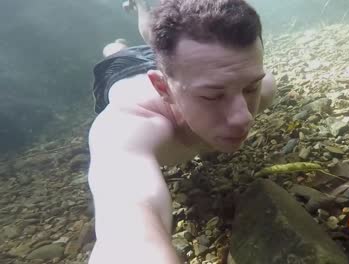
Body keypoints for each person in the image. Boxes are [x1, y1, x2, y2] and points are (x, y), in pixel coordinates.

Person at [87, 0, 277, 263]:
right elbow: (125, 228)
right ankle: (117, 44)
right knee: (118, 52)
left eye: (249, 88)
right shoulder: (127, 126)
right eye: (212, 96)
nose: (243, 118)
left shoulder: (265, 87)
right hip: (123, 71)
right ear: (163, 89)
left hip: (181, 68)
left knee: (155, 38)